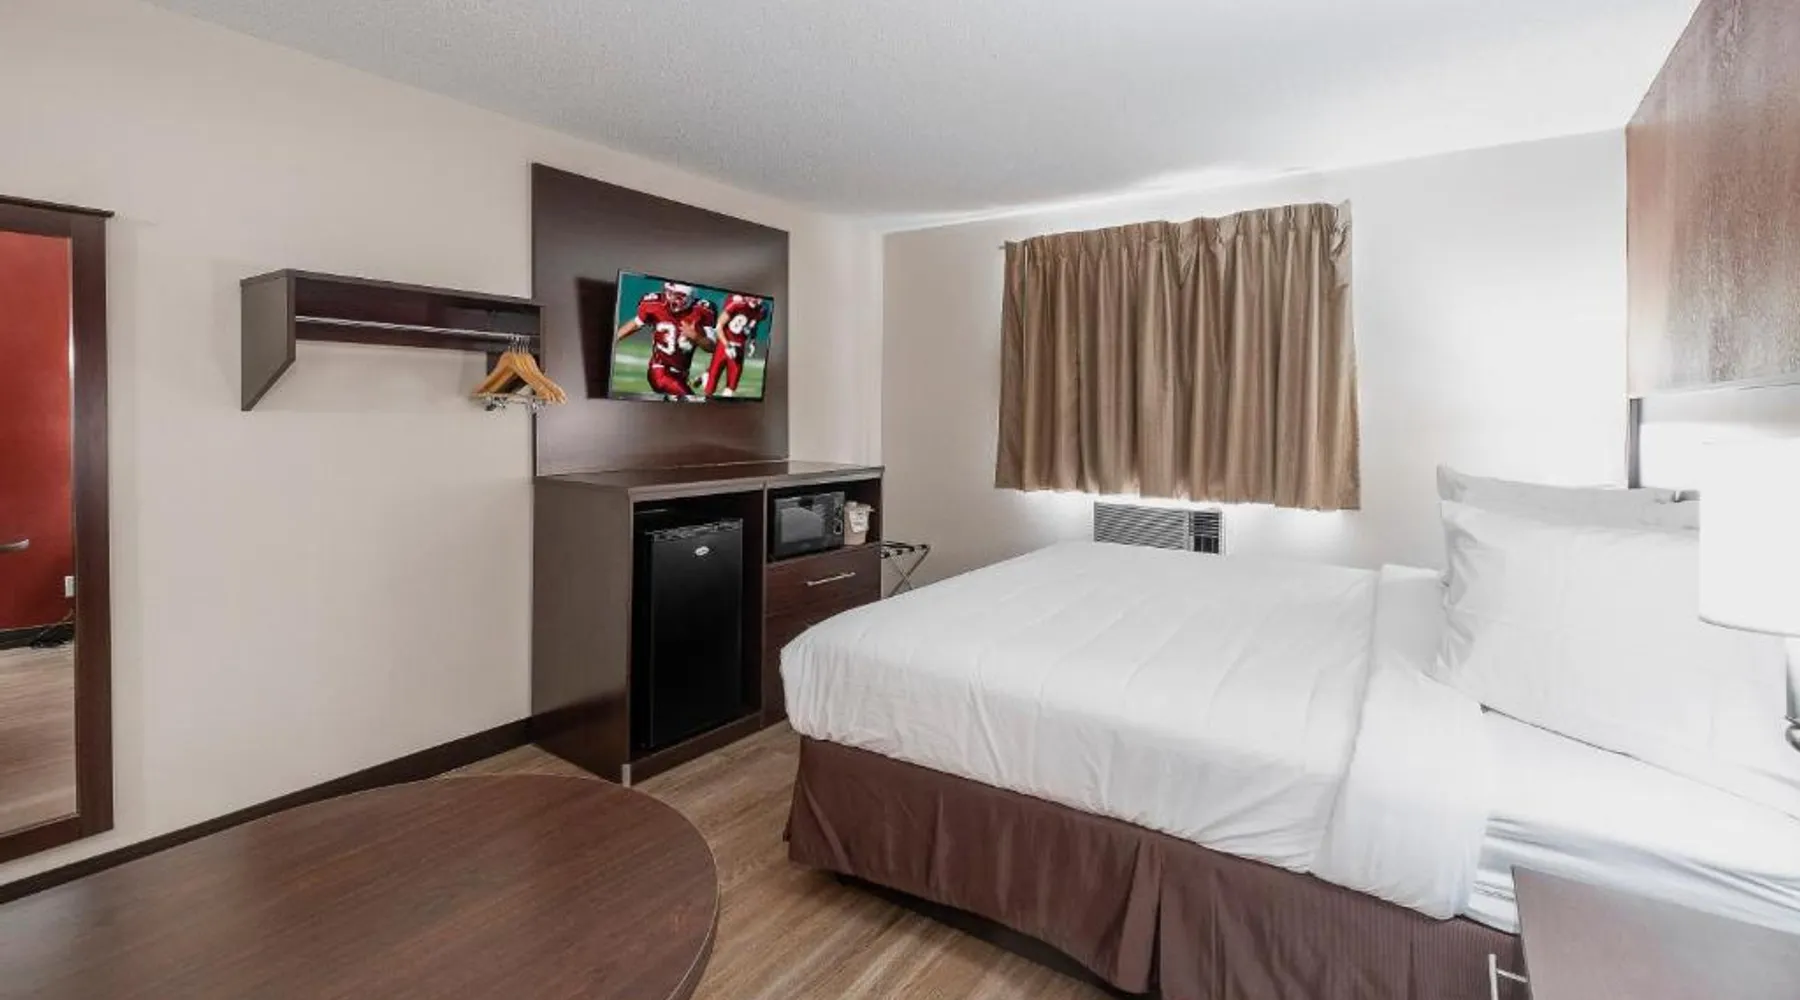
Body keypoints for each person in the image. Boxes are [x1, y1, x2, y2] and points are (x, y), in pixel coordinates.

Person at [614, 282, 717, 398]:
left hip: (681, 375)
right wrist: (613, 339)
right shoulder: (655, 304)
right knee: (692, 402)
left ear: (690, 298)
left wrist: (696, 337)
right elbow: (636, 323)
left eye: (678, 297)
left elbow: (712, 347)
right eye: (670, 293)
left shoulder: (702, 311)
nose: (672, 299)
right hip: (660, 371)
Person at [701, 293, 767, 397]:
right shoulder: (737, 305)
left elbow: (753, 324)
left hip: (739, 348)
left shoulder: (761, 310)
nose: (756, 299)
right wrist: (727, 345)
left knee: (731, 388)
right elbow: (719, 326)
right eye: (754, 296)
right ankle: (707, 375)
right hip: (724, 346)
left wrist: (752, 341)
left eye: (759, 297)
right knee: (711, 386)